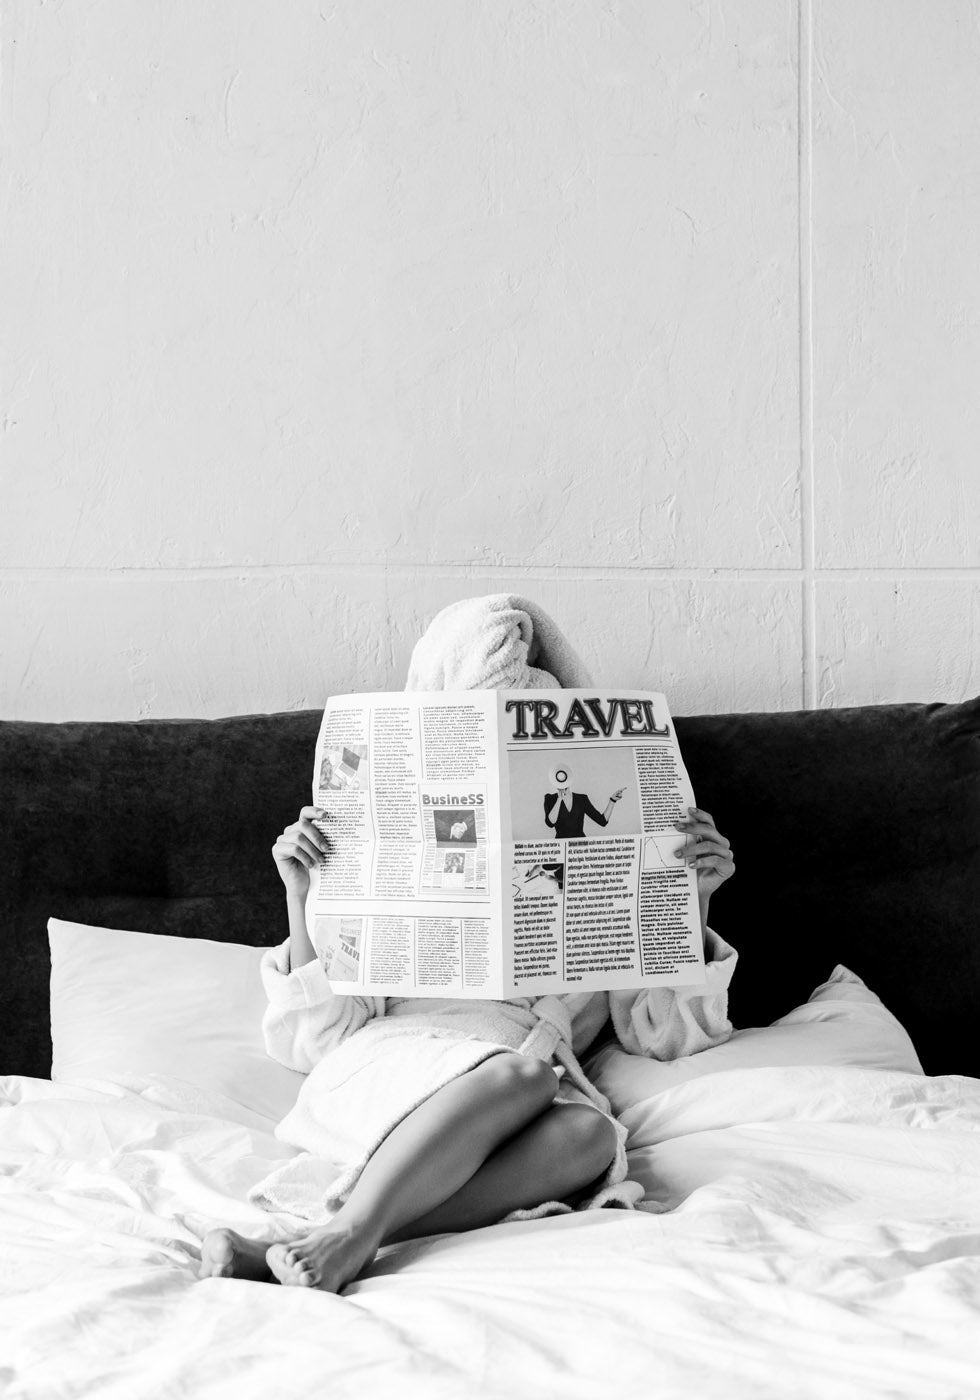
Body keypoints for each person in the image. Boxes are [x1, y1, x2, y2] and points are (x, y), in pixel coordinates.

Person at [198, 802, 736, 1294]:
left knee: (591, 1134)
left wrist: (692, 899)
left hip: (517, 1093)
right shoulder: (396, 872)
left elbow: (664, 1036)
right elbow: (315, 1039)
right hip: (396, 1063)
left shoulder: (611, 886)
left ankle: (323, 1238)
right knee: (522, 1075)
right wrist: (299, 896)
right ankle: (350, 1232)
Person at [544, 765, 625, 839]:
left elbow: (602, 821)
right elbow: (550, 823)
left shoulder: (581, 799)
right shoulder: (550, 798)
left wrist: (612, 800)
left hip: (580, 844)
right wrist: (559, 799)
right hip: (561, 845)